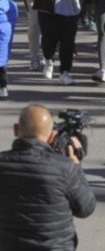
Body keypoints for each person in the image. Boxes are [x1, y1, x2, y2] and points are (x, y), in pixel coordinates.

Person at [0, 104, 95, 249]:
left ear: (15, 129)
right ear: (51, 136)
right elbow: (85, 208)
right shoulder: (64, 167)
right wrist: (77, 167)